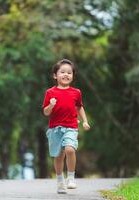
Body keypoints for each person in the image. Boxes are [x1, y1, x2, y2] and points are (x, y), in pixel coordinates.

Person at [42, 59, 90, 194]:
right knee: (58, 156)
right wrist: (51, 105)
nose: (66, 75)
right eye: (62, 72)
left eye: (69, 72)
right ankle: (59, 181)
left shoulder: (76, 92)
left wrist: (85, 121)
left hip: (71, 127)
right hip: (55, 128)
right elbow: (46, 112)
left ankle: (71, 178)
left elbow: (79, 107)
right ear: (55, 75)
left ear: (73, 76)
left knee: (70, 150)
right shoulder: (50, 92)